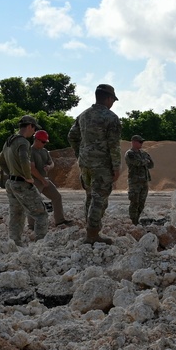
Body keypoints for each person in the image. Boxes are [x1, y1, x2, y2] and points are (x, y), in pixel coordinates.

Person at [68, 84, 122, 244]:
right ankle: (92, 234)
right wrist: (117, 166)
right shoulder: (111, 118)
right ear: (108, 98)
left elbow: (72, 136)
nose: (113, 103)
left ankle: (90, 228)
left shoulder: (83, 116)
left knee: (90, 196)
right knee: (99, 199)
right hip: (102, 165)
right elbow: (114, 145)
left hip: (85, 164)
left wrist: (81, 153)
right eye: (113, 100)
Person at [0, 115, 48, 246]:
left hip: (11, 183)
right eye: (34, 128)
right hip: (22, 183)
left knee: (16, 214)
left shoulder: (9, 141)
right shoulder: (23, 142)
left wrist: (12, 174)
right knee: (41, 214)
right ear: (30, 126)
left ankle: (14, 242)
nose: (34, 132)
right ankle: (41, 244)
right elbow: (24, 160)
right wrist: (28, 177)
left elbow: (0, 162)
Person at [30, 130, 70, 227]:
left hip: (44, 179)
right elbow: (32, 168)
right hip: (34, 180)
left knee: (57, 197)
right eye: (43, 142)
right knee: (33, 202)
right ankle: (31, 225)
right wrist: (42, 180)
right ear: (36, 140)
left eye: (45, 142)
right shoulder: (30, 151)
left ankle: (59, 220)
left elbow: (51, 163)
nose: (44, 144)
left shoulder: (44, 151)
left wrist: (49, 167)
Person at [125, 134, 154, 225]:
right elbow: (137, 163)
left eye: (142, 142)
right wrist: (145, 161)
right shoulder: (130, 153)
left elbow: (151, 165)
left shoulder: (143, 153)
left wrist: (145, 161)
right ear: (133, 142)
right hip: (134, 181)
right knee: (134, 202)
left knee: (141, 203)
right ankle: (133, 222)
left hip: (144, 181)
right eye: (140, 142)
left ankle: (136, 220)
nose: (141, 143)